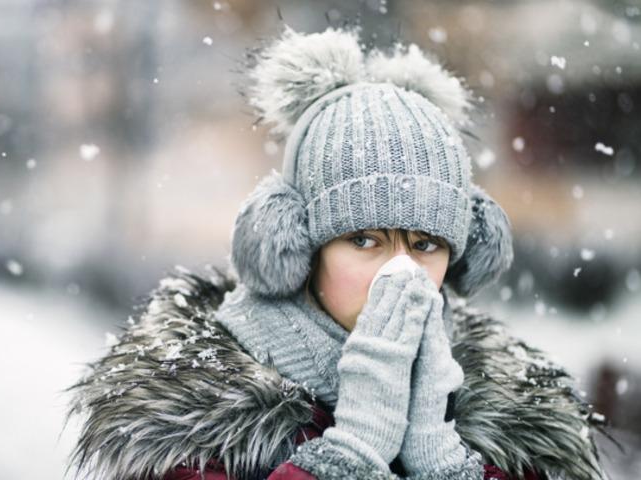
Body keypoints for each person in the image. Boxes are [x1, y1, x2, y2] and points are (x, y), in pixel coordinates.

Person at [64, 26, 609, 480]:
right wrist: (352, 451)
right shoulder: (195, 427)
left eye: (425, 244)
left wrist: (443, 462)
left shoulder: (509, 424)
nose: (401, 270)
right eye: (364, 240)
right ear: (293, 244)